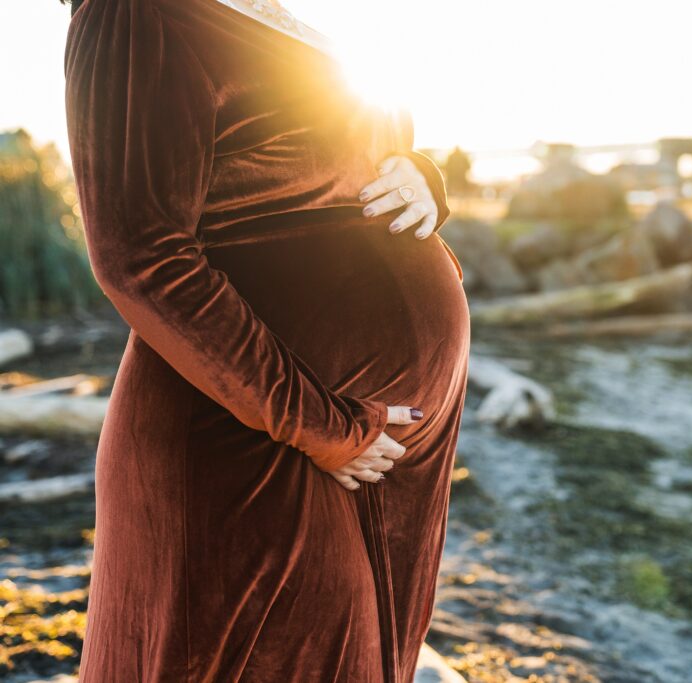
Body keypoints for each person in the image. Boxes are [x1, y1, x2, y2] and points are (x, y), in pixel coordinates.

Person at [62, 0, 470, 681]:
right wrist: (320, 423)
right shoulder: (136, 13)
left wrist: (420, 176)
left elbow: (339, 154)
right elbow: (140, 253)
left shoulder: (269, 13)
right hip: (256, 438)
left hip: (366, 443)